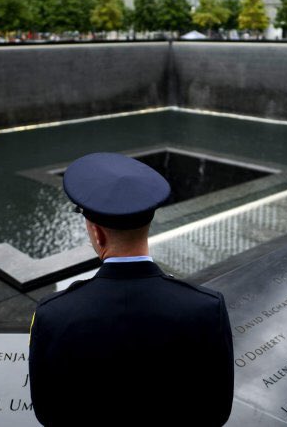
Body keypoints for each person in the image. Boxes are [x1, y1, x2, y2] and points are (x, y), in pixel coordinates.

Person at [28, 152, 235, 426]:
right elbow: (217, 411)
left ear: (97, 234)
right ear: (147, 225)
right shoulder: (207, 308)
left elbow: (47, 412)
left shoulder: (53, 315)